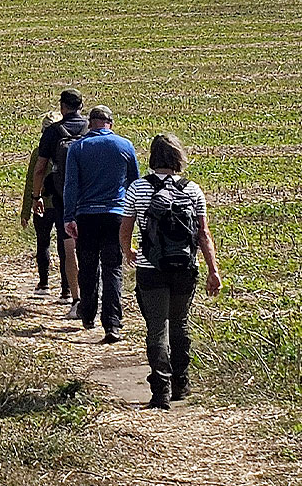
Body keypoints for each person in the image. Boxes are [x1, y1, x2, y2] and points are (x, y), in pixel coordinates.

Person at [121, 134, 222, 410]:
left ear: (152, 157)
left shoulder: (138, 189)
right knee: (179, 323)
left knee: (156, 327)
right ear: (179, 157)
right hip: (185, 267)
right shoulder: (193, 190)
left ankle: (160, 392)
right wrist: (213, 270)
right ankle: (181, 383)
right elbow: (203, 234)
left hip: (150, 269)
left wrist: (129, 251)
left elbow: (126, 228)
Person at [62, 105, 138, 344]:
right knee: (112, 268)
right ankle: (112, 323)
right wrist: (134, 217)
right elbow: (135, 184)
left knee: (88, 265)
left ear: (89, 123)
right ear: (110, 124)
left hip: (86, 215)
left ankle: (88, 314)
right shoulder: (124, 146)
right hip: (116, 214)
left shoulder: (78, 147)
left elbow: (71, 185)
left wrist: (68, 216)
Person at [22, 89, 87, 315]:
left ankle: (75, 298)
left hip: (62, 199)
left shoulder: (52, 132)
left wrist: (36, 197)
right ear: (82, 106)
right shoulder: (92, 129)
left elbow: (39, 169)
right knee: (90, 249)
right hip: (90, 198)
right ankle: (91, 296)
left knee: (67, 247)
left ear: (62, 107)